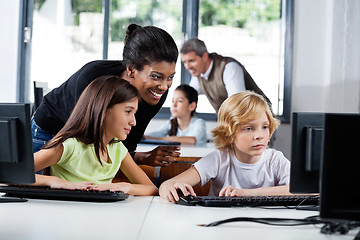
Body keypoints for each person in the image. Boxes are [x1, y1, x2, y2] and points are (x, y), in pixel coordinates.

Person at [32, 24, 180, 167]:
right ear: (131, 70)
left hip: (85, 146)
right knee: (34, 187)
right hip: (48, 133)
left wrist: (142, 158)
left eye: (170, 77)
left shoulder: (154, 94)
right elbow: (87, 141)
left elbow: (126, 144)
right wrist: (142, 158)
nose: (164, 86)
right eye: (156, 76)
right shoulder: (92, 77)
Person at [33, 76, 158, 196]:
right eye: (128, 111)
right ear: (103, 109)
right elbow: (14, 173)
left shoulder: (117, 148)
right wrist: (53, 181)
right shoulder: (70, 145)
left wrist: (126, 187)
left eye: (134, 113)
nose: (133, 122)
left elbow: (151, 189)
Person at [159, 91, 290, 203]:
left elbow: (306, 191)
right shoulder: (220, 158)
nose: (259, 136)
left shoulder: (276, 160)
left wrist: (246, 194)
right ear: (229, 133)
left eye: (265, 127)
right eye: (249, 128)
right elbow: (167, 185)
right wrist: (168, 188)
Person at [180, 38, 271, 112]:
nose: (187, 67)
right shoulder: (198, 73)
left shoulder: (229, 68)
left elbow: (238, 105)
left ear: (204, 56)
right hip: (236, 124)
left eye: (191, 61)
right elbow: (187, 97)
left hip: (260, 121)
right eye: (184, 62)